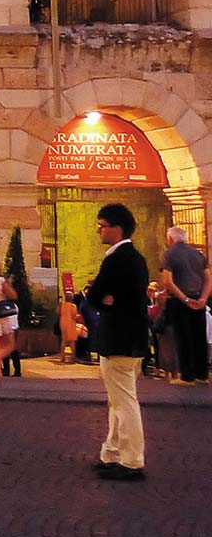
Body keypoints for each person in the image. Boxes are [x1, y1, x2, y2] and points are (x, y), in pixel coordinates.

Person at [90, 202, 151, 481]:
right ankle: (112, 452)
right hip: (128, 338)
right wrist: (104, 297)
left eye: (102, 225)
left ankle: (131, 459)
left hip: (120, 339)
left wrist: (102, 297)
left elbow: (95, 293)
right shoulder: (134, 258)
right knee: (118, 401)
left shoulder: (118, 259)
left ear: (118, 228)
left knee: (124, 402)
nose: (99, 230)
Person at [159, 225, 210, 386]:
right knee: (199, 336)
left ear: (171, 239)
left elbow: (168, 280)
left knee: (183, 337)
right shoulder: (199, 254)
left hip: (180, 301)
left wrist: (185, 299)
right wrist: (202, 298)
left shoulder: (169, 254)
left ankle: (186, 376)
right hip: (199, 299)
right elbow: (208, 279)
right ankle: (202, 374)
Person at [58, 293, 84, 365]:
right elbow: (74, 316)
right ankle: (73, 357)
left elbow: (58, 313)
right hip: (71, 324)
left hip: (62, 323)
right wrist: (79, 316)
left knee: (63, 340)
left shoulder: (61, 305)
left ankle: (62, 357)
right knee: (72, 341)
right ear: (71, 298)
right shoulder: (73, 306)